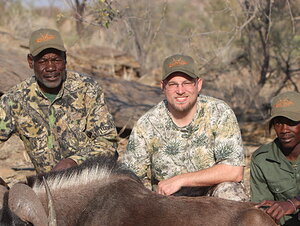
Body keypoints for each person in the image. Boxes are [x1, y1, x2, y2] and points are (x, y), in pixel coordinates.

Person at [123, 54, 247, 200]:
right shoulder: (146, 124)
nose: (180, 90)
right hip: (169, 204)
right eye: (173, 84)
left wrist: (180, 180)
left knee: (230, 190)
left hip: (212, 205)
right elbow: (131, 179)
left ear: (198, 84)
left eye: (187, 83)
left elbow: (234, 171)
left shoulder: (219, 112)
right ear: (162, 86)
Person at [0, 28, 118, 174]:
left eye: (56, 60)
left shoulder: (87, 89)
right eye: (43, 61)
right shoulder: (14, 99)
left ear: (65, 59)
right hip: (49, 188)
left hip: (90, 180)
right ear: (31, 62)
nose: (50, 67)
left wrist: (74, 161)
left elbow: (108, 142)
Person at [250, 91, 300, 226]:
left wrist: (293, 203)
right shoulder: (262, 159)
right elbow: (263, 206)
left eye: (291, 122)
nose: (284, 130)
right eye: (278, 122)